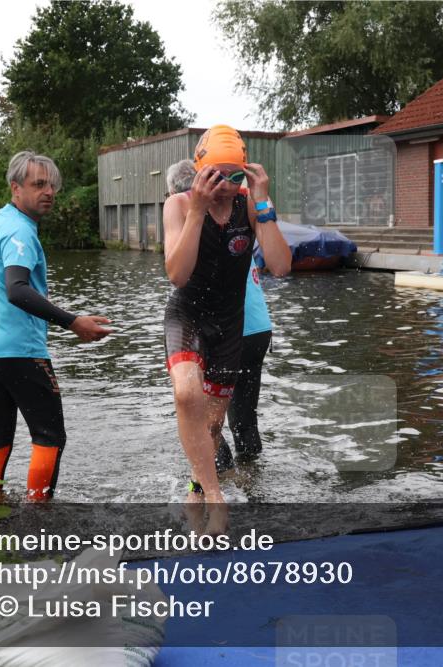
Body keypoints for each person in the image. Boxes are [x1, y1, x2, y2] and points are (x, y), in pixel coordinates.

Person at [163, 126, 291, 533]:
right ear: (200, 172)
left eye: (235, 177)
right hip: (188, 316)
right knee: (186, 393)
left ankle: (197, 491)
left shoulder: (248, 206)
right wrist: (198, 211)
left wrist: (264, 201)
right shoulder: (179, 205)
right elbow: (177, 275)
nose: (225, 186)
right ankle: (216, 499)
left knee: (215, 426)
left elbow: (281, 266)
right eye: (215, 176)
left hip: (230, 325)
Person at [0, 151, 113, 501]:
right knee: (50, 438)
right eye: (38, 184)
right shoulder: (19, 230)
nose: (48, 191)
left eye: (52, 185)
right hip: (19, 351)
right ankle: (38, 518)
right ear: (15, 188)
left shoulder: (0, 223)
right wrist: (73, 322)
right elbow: (16, 289)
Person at [166, 159, 273, 470]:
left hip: (223, 327)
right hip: (257, 326)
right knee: (243, 419)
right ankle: (251, 482)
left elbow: (179, 276)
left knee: (208, 422)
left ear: (175, 192)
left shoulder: (192, 219)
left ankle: (218, 481)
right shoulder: (238, 215)